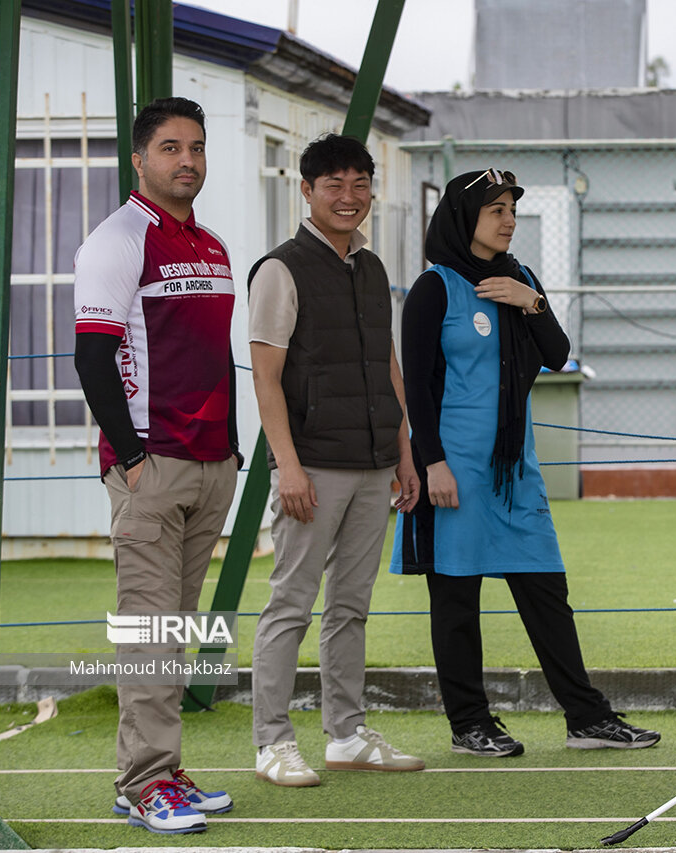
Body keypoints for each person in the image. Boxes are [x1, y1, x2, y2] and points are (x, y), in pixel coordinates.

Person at [392, 168, 660, 757]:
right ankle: (470, 724)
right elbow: (418, 386)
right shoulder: (434, 289)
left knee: (545, 588)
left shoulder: (522, 279)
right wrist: (431, 462)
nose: (509, 219)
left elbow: (557, 355)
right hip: (454, 467)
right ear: (466, 219)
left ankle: (586, 718)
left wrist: (531, 302)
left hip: (514, 469)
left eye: (512, 209)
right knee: (456, 602)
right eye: (496, 211)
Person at [74, 97, 239, 834]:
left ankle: (160, 771)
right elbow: (93, 357)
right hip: (151, 466)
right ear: (140, 159)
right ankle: (144, 785)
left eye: (197, 147)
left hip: (209, 466)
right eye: (171, 147)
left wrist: (229, 451)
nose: (188, 161)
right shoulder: (117, 239)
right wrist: (133, 459)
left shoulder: (211, 245)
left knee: (174, 633)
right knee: (149, 633)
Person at [247, 133, 423, 786]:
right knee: (290, 605)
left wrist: (404, 452)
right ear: (307, 190)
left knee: (351, 606)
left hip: (376, 463)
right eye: (334, 185)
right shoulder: (280, 269)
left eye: (360, 185)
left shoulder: (372, 269)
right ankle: (271, 742)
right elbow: (266, 379)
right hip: (312, 467)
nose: (349, 198)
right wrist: (286, 464)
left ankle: (346, 734)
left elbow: (387, 365)